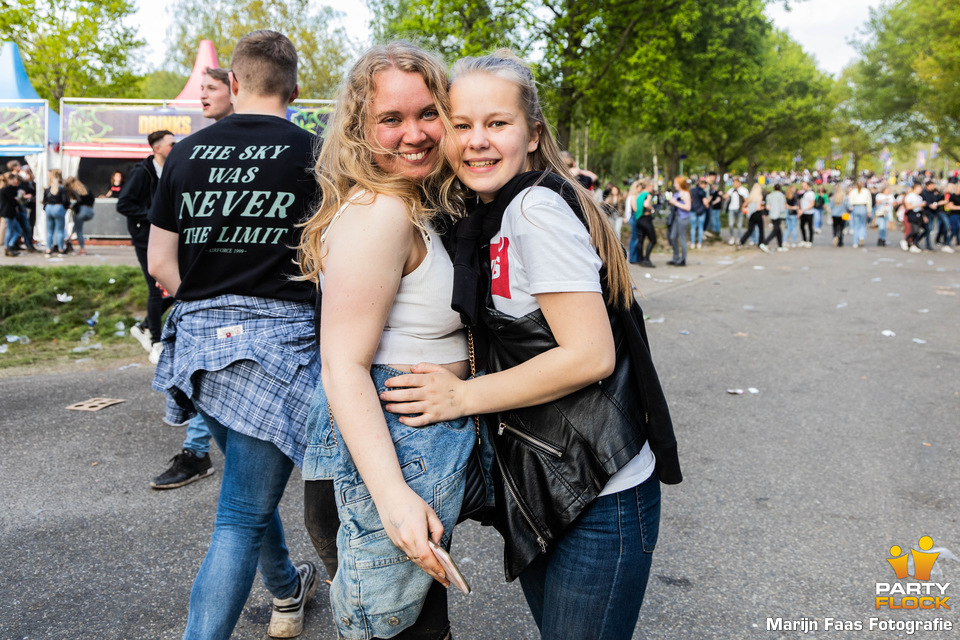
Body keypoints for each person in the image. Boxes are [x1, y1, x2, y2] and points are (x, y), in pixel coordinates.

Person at [380, 49, 681, 640]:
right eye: (462, 125)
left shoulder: (534, 210)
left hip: (600, 492)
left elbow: (591, 354)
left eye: (498, 124)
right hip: (555, 481)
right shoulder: (490, 213)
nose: (476, 142)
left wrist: (462, 396)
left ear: (534, 133)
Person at [147, 30, 323, 639]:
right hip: (278, 351)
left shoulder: (186, 153)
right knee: (240, 514)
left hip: (197, 345)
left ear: (237, 83)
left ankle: (286, 592)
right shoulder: (317, 153)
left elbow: (159, 264)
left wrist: (211, 296)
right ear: (295, 89)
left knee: (248, 494)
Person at [297, 41, 471, 640]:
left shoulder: (411, 203)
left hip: (404, 454)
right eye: (390, 119)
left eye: (428, 113)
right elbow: (342, 365)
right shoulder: (382, 213)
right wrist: (394, 498)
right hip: (387, 465)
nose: (415, 133)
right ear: (359, 128)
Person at [150, 65, 234, 491]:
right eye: (200, 88)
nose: (202, 95)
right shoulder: (189, 154)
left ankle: (198, 451)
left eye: (211, 88)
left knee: (247, 492)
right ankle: (197, 451)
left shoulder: (284, 149)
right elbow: (162, 253)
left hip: (257, 308)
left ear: (237, 90)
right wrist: (196, 296)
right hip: (206, 303)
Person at [118, 129, 176, 364]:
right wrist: (153, 216)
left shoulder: (173, 170)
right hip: (146, 237)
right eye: (171, 144)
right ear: (157, 148)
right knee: (156, 288)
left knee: (176, 286)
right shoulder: (141, 172)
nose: (176, 147)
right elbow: (123, 204)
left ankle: (143, 327)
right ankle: (156, 341)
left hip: (170, 237)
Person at [64, 177, 95, 255]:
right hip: (89, 211)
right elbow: (92, 199)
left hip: (81, 210)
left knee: (79, 230)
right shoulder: (85, 188)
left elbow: (79, 200)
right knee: (77, 227)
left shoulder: (74, 190)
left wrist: (73, 207)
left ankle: (82, 248)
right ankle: (69, 238)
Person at [43, 169, 70, 255]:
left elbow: (44, 201)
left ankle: (48, 249)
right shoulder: (62, 189)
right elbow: (65, 200)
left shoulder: (48, 189)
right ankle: (60, 249)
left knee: (49, 230)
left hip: (49, 208)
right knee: (60, 230)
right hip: (58, 208)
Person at [666, 176, 691, 266]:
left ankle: (683, 259)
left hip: (683, 218)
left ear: (680, 184)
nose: (674, 185)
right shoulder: (677, 193)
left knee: (682, 238)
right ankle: (675, 257)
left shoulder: (686, 194)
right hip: (676, 218)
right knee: (672, 237)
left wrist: (675, 203)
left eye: (675, 183)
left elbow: (688, 207)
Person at [737, 183, 768, 253]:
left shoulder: (751, 196)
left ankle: (741, 241)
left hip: (751, 215)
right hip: (757, 214)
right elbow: (758, 207)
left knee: (750, 230)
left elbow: (748, 206)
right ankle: (761, 243)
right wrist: (764, 208)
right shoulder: (760, 196)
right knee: (761, 230)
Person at [847, 179, 871, 248]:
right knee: (862, 224)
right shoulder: (866, 191)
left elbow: (850, 201)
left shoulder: (853, 192)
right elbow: (869, 201)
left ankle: (855, 242)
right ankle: (861, 236)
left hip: (856, 208)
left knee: (856, 225)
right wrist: (869, 210)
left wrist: (850, 209)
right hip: (863, 207)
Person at [724, 177, 748, 244]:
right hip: (731, 208)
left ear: (739, 183)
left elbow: (746, 200)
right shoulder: (732, 190)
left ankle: (739, 238)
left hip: (739, 209)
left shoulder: (744, 190)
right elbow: (725, 196)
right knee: (731, 224)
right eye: (734, 183)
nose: (735, 184)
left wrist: (742, 207)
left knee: (739, 225)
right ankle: (732, 237)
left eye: (736, 183)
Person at [763, 184, 787, 251]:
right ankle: (765, 243)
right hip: (779, 214)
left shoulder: (770, 196)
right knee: (775, 230)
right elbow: (783, 206)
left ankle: (780, 245)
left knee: (778, 230)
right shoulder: (781, 196)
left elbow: (767, 207)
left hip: (772, 214)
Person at [689, 177, 708, 249]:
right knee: (701, 227)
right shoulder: (703, 192)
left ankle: (692, 243)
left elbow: (690, 200)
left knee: (693, 227)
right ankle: (699, 243)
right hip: (701, 211)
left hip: (693, 210)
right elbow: (705, 202)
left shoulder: (692, 190)